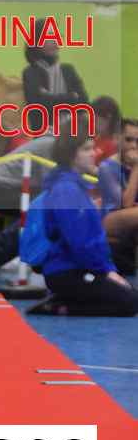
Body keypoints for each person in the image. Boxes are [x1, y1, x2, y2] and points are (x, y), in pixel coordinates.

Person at [29, 117, 138, 316]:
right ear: (72, 155)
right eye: (87, 149)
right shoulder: (66, 190)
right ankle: (59, 306)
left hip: (81, 267)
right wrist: (105, 271)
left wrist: (109, 269)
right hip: (66, 272)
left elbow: (94, 239)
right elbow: (80, 244)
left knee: (132, 295)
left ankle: (66, 300)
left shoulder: (77, 187)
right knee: (129, 303)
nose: (94, 153)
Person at [0, 132, 55, 272]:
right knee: (41, 210)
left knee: (42, 207)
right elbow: (50, 184)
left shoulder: (48, 142)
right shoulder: (51, 145)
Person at [22, 17, 88, 133]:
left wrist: (48, 97)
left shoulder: (68, 70)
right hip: (44, 135)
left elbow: (84, 103)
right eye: (49, 37)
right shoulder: (30, 73)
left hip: (72, 135)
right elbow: (37, 108)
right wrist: (70, 97)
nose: (55, 40)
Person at [98, 118, 138, 275]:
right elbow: (125, 204)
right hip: (110, 221)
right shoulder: (107, 167)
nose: (134, 146)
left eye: (137, 141)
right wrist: (136, 168)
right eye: (129, 140)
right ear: (117, 139)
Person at [92, 96, 120, 166]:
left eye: (96, 118)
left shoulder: (115, 144)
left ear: (109, 119)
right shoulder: (95, 136)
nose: (93, 121)